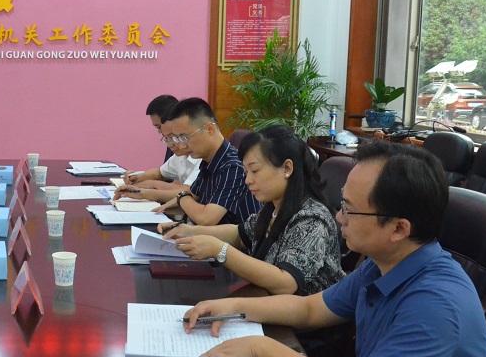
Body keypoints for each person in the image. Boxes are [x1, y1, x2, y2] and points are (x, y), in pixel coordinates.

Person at [186, 141, 486, 357]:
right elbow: (310, 308)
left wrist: (262, 348)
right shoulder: (384, 263)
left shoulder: (436, 302)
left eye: (349, 210)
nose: (338, 218)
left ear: (398, 229)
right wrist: (232, 307)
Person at [158, 125, 344, 296]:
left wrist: (220, 250)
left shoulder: (311, 218)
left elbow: (286, 283)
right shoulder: (274, 206)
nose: (247, 180)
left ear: (287, 168)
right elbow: (240, 234)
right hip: (267, 304)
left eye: (255, 171)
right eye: (246, 172)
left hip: (303, 319)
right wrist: (189, 231)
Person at [120, 97, 259, 225]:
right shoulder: (207, 160)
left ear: (209, 129)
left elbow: (206, 218)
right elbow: (191, 196)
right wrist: (154, 204)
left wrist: (182, 197)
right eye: (178, 139)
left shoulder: (233, 166)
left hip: (230, 243)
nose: (181, 146)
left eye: (185, 137)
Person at [118, 97, 202, 195]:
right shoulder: (179, 155)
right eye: (167, 139)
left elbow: (188, 191)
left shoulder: (201, 157)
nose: (160, 132)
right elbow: (161, 173)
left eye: (174, 137)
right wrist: (137, 177)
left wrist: (151, 186)